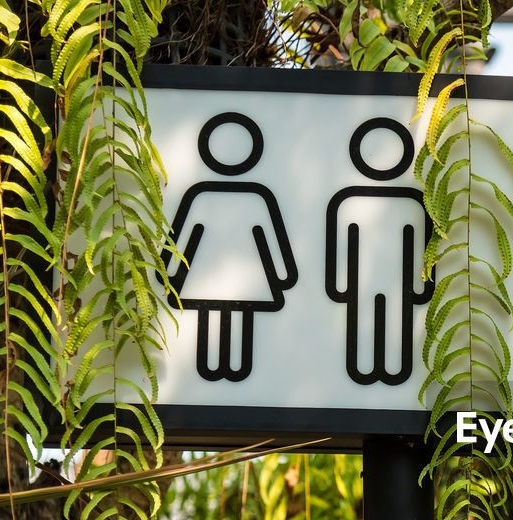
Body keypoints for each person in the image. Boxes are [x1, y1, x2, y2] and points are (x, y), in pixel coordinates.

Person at [164, 112, 297, 382]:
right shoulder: (214, 193)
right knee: (215, 313)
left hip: (236, 271)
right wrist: (284, 276)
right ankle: (217, 369)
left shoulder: (222, 193)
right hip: (216, 271)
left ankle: (231, 370)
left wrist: (167, 271)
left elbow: (272, 234)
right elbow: (181, 235)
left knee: (235, 314)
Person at [325, 116, 433, 386]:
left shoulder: (412, 201)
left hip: (395, 284)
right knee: (362, 329)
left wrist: (422, 288)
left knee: (397, 329)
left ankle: (393, 372)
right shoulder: (350, 200)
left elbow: (423, 246)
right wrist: (338, 287)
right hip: (363, 284)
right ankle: (363, 372)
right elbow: (339, 245)